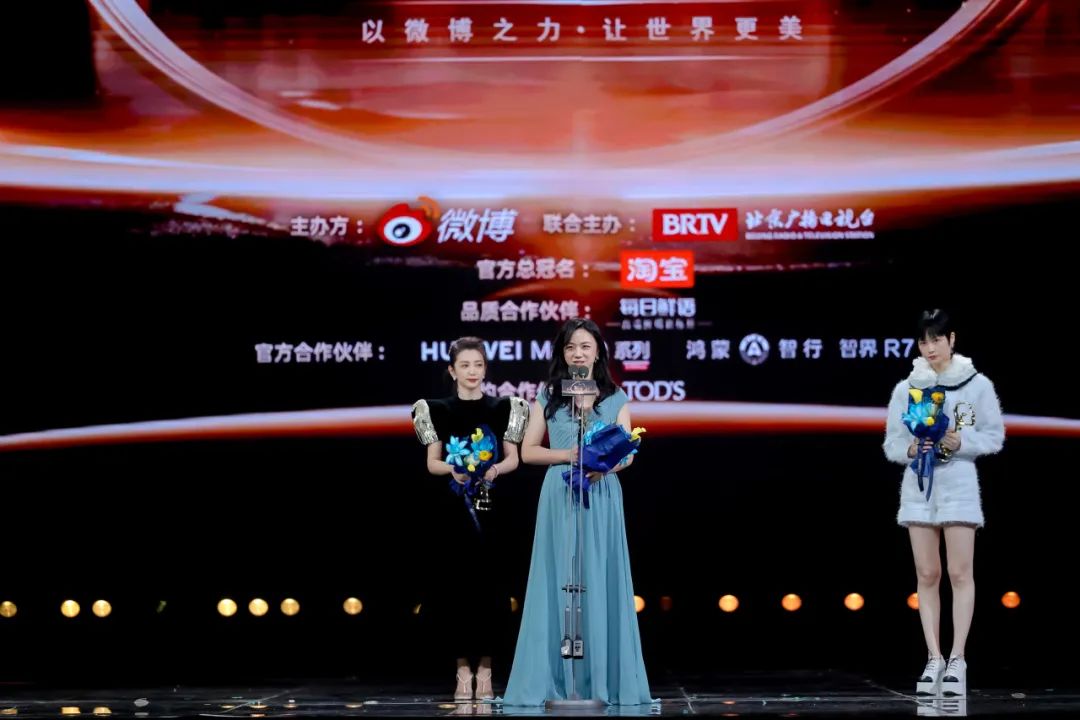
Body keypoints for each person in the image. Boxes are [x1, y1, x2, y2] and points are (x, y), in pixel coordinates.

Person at [503, 318, 652, 706]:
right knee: (557, 578)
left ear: (598, 351)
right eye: (570, 348)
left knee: (600, 578)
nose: (578, 354)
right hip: (560, 490)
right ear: (562, 354)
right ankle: (555, 681)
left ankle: (601, 682)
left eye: (585, 346)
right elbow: (528, 451)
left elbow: (628, 452)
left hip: (601, 492)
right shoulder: (548, 395)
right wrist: (568, 455)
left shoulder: (615, 396)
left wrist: (605, 465)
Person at [883, 309, 1005, 697]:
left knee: (959, 572)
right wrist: (911, 448)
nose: (930, 347)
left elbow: (994, 436)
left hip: (959, 485)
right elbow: (892, 442)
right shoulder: (907, 388)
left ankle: (958, 659)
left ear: (951, 339)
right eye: (923, 341)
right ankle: (933, 657)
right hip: (919, 487)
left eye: (936, 339)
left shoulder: (976, 385)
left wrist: (961, 441)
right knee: (927, 573)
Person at [412, 336, 529, 701]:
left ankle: (487, 670)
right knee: (455, 592)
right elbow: (432, 463)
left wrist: (494, 470)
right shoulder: (437, 409)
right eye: (465, 365)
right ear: (452, 371)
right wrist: (454, 469)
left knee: (493, 591)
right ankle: (463, 670)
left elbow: (514, 458)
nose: (472, 371)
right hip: (453, 513)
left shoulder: (503, 407)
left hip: (493, 512)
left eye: (478, 365)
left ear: (485, 368)